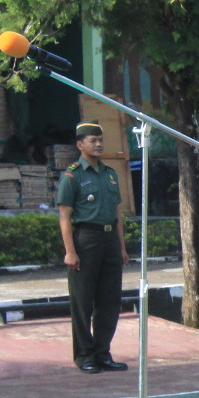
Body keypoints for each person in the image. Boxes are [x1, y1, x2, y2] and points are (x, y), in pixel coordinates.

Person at [57, 121, 128, 373]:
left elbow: (116, 214)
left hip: (109, 241)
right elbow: (65, 217)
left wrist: (121, 248)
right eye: (92, 140)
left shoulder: (110, 174)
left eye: (100, 140)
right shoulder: (72, 175)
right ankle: (84, 356)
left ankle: (102, 352)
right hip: (85, 240)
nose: (98, 144)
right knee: (83, 301)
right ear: (80, 144)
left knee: (110, 301)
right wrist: (70, 251)